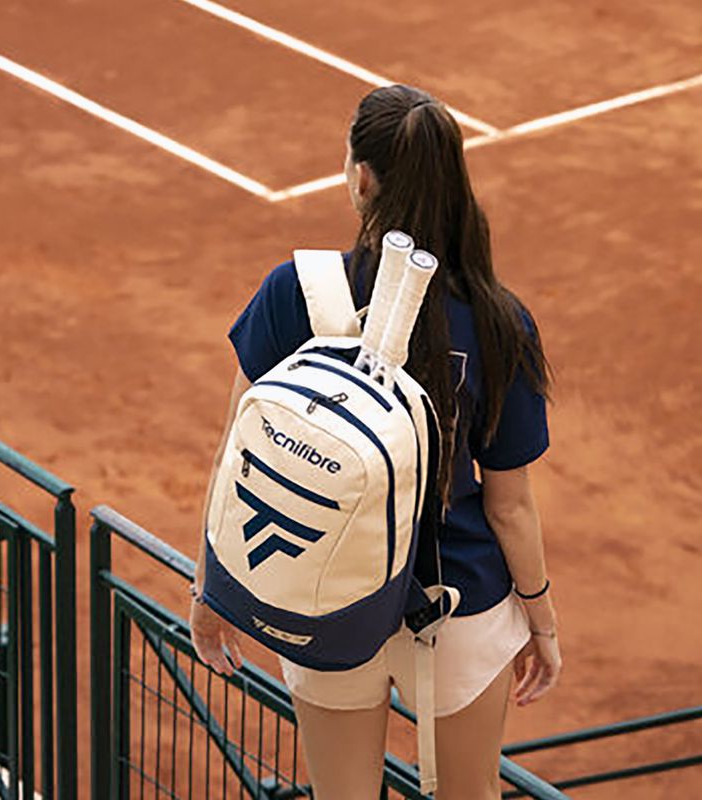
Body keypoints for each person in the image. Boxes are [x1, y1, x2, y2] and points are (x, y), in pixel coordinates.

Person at [190, 84, 562, 800]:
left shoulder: (293, 291)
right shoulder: (498, 321)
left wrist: (211, 589)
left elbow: (235, 455)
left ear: (361, 178)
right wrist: (540, 622)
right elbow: (510, 505)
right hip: (458, 599)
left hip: (326, 595)